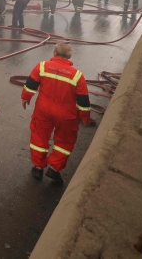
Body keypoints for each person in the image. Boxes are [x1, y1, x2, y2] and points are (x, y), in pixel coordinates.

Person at [21, 43, 94, 185]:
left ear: (54, 53)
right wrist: (85, 118)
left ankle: (38, 168)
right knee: (65, 142)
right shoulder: (77, 76)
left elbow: (30, 84)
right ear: (70, 57)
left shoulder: (42, 66)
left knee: (39, 136)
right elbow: (83, 101)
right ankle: (54, 169)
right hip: (67, 114)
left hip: (43, 110)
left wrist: (25, 97)